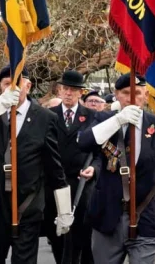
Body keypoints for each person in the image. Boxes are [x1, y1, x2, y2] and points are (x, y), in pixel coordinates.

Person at [0, 66, 72, 264]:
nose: (11, 89)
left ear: (28, 86)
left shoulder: (45, 118)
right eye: (6, 84)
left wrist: (63, 208)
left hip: (26, 204)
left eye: (16, 84)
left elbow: (53, 165)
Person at [77, 74, 155, 264]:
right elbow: (84, 142)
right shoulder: (103, 118)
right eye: (126, 93)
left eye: (138, 93)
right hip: (108, 215)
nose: (132, 98)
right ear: (117, 94)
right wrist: (117, 120)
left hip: (146, 214)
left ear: (146, 95)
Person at [46, 70, 99, 264]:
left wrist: (94, 168)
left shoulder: (92, 116)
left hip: (81, 184)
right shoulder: (48, 116)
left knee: (81, 236)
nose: (68, 93)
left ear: (80, 93)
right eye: (65, 89)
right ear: (59, 91)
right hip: (55, 185)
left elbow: (101, 151)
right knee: (57, 237)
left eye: (73, 90)